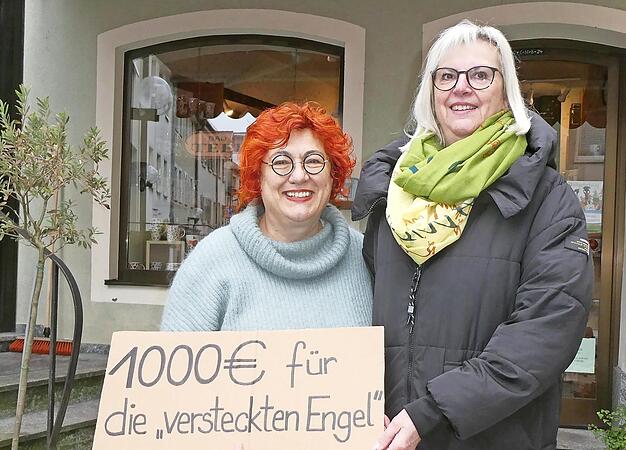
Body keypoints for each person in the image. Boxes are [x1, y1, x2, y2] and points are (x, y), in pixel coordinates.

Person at [352, 20, 593, 450]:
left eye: (481, 75)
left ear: (506, 93)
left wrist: (431, 412)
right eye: (446, 76)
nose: (461, 88)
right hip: (389, 435)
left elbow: (546, 329)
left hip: (495, 438)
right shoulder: (395, 193)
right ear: (430, 92)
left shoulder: (546, 198)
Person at [161, 102, 372, 331]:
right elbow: (177, 362)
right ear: (258, 177)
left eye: (313, 161)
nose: (299, 176)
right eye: (281, 162)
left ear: (333, 175)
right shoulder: (211, 260)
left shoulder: (367, 257)